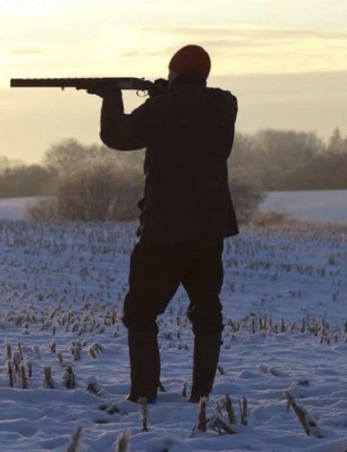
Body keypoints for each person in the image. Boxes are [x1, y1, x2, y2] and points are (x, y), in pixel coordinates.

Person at [88, 44, 239, 403]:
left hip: (164, 229)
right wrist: (165, 92)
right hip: (209, 229)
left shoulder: (160, 108)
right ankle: (202, 394)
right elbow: (197, 104)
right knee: (206, 312)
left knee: (140, 314)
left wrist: (111, 98)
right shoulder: (224, 106)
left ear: (172, 73)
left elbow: (117, 136)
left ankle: (143, 396)